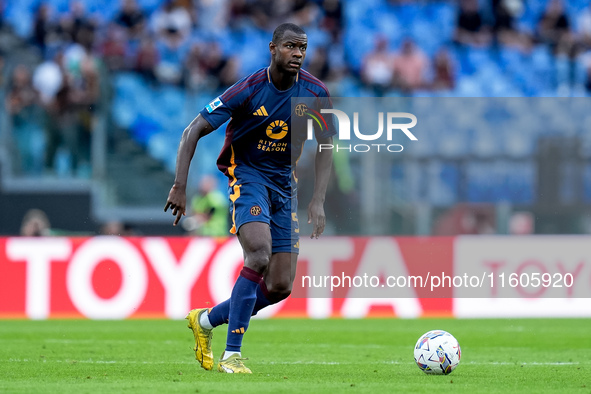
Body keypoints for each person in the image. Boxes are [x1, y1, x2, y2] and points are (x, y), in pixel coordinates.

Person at [164, 23, 334, 373]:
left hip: (285, 187)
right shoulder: (249, 89)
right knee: (258, 253)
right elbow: (193, 129)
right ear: (273, 49)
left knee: (280, 286)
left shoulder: (315, 93)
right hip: (248, 177)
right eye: (290, 46)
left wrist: (317, 200)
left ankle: (206, 321)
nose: (298, 54)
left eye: (303, 47)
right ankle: (232, 356)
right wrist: (180, 185)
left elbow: (327, 144)